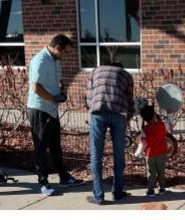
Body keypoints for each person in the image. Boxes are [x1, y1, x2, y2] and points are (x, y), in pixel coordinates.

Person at [27, 34, 84, 196]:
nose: (66, 56)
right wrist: (53, 98)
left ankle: (64, 177)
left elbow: (58, 81)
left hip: (51, 109)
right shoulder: (40, 60)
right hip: (39, 109)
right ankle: (43, 183)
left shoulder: (55, 60)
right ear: (58, 47)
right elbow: (36, 88)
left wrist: (62, 90)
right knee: (41, 147)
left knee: (55, 146)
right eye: (66, 52)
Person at [84, 57, 134, 205]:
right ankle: (117, 193)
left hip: (98, 113)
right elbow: (130, 100)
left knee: (96, 156)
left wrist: (90, 109)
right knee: (119, 155)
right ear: (120, 67)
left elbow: (88, 95)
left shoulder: (96, 71)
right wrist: (129, 117)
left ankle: (98, 196)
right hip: (119, 114)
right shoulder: (126, 75)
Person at [140, 105, 169, 196]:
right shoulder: (162, 126)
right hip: (161, 152)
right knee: (161, 171)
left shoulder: (144, 129)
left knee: (151, 173)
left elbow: (143, 143)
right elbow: (167, 126)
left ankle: (150, 190)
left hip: (150, 153)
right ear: (154, 116)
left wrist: (139, 153)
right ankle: (162, 188)